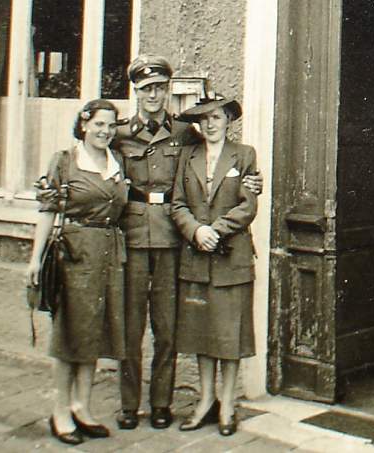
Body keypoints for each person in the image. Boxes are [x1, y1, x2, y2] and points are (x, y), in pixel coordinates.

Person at [114, 55, 263, 430]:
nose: (153, 95)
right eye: (146, 89)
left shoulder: (185, 136)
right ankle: (130, 405)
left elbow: (223, 173)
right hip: (134, 237)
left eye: (160, 88)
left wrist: (252, 185)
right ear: (135, 91)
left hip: (171, 239)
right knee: (131, 328)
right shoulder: (119, 135)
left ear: (167, 91)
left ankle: (162, 404)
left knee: (168, 328)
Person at [26, 99, 128, 445]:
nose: (105, 131)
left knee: (95, 332)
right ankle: (60, 411)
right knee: (70, 332)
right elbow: (46, 209)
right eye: (99, 124)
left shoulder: (118, 162)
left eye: (111, 126)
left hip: (110, 253)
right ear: (84, 125)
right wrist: (35, 258)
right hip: (75, 252)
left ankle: (82, 407)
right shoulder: (65, 161)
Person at [171, 94, 258, 436]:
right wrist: (195, 232)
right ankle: (206, 400)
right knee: (201, 331)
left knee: (228, 333)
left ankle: (228, 403)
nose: (210, 124)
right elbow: (177, 204)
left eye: (217, 117)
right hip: (196, 257)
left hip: (230, 257)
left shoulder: (245, 155)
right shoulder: (187, 156)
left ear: (228, 121)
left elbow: (247, 206)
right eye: (204, 118)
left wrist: (214, 231)